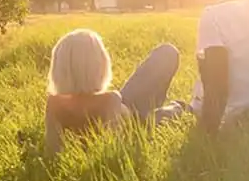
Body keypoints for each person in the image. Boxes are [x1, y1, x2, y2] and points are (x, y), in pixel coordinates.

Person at [42, 29, 184, 156]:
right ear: (99, 64)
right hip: (140, 124)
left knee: (167, 52)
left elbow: (53, 149)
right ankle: (183, 107)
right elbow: (115, 148)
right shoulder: (111, 99)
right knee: (170, 111)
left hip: (125, 110)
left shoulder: (54, 103)